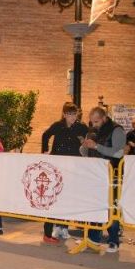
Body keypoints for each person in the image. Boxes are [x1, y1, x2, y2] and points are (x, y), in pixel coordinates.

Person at [40, 102, 88, 244]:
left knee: (68, 198)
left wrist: (85, 146)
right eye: (69, 114)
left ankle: (63, 227)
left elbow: (90, 141)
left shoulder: (82, 127)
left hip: (74, 166)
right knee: (53, 197)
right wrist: (44, 150)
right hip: (57, 165)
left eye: (75, 114)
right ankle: (48, 233)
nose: (72, 117)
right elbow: (45, 135)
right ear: (64, 114)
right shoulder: (57, 125)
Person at [80, 106, 125, 253]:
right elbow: (86, 153)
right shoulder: (92, 130)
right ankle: (94, 237)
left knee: (112, 208)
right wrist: (85, 146)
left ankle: (113, 241)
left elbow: (118, 153)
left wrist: (97, 146)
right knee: (94, 205)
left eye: (96, 122)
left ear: (104, 118)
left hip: (112, 174)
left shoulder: (117, 130)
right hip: (95, 174)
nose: (93, 125)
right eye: (91, 122)